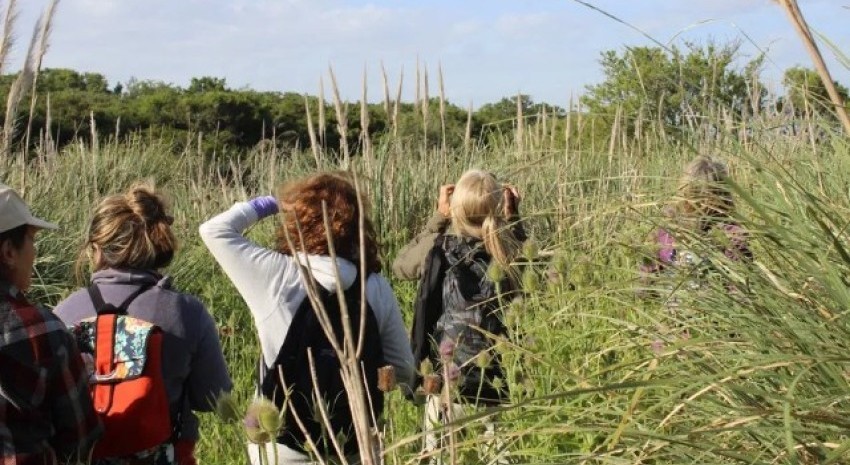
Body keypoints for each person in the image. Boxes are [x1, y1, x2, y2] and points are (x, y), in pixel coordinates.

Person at [199, 171, 414, 464]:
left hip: (278, 441)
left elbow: (214, 230)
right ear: (357, 227)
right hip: (354, 440)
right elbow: (402, 367)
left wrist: (271, 203)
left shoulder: (276, 275)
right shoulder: (375, 286)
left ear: (297, 221)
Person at [54, 183, 232, 465]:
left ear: (96, 250)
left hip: (86, 456)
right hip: (166, 455)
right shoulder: (187, 312)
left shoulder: (63, 314)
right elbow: (212, 397)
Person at [393, 169, 525, 464]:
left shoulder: (437, 249)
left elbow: (400, 266)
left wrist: (438, 219)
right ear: (499, 206)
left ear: (456, 208)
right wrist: (513, 220)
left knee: (438, 455)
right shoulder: (511, 249)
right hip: (497, 383)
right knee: (498, 457)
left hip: (445, 381)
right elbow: (533, 272)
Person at [0, 182, 102, 464]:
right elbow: (81, 438)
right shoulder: (40, 328)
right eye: (32, 239)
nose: (34, 251)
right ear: (9, 251)